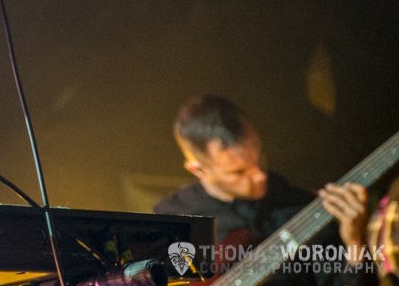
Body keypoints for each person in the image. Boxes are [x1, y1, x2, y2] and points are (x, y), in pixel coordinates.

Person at [154, 95, 372, 285]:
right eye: (238, 172)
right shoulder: (172, 222)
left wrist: (355, 245)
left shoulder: (300, 208)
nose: (259, 175)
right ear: (199, 170)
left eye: (259, 158)